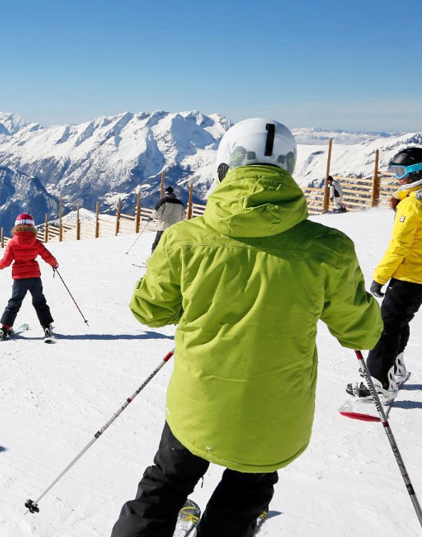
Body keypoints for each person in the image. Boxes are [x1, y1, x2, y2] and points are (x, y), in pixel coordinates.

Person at [111, 118, 381, 537]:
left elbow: (148, 311)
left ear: (224, 169)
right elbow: (362, 333)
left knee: (164, 486)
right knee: (242, 499)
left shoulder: (183, 238)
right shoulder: (328, 249)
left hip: (198, 402)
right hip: (275, 414)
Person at [346, 147, 422, 400]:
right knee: (398, 321)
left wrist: (380, 277)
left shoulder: (413, 204)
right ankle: (395, 369)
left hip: (410, 275)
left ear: (418, 172)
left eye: (401, 171)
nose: (397, 177)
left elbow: (399, 247)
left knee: (385, 327)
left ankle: (377, 383)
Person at [0, 213, 59, 342]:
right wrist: (54, 264)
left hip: (19, 279)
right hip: (34, 277)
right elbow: (47, 256)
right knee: (39, 302)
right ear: (32, 226)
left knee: (14, 303)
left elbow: (5, 262)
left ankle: (5, 328)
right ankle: (46, 326)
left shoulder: (12, 243)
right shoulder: (35, 242)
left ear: (17, 226)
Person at [149, 187, 186, 252]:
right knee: (171, 244)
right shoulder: (180, 203)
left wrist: (151, 217)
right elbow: (183, 217)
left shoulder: (163, 201)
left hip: (163, 226)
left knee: (157, 243)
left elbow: (156, 212)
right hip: (174, 227)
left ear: (166, 193)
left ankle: (153, 257)